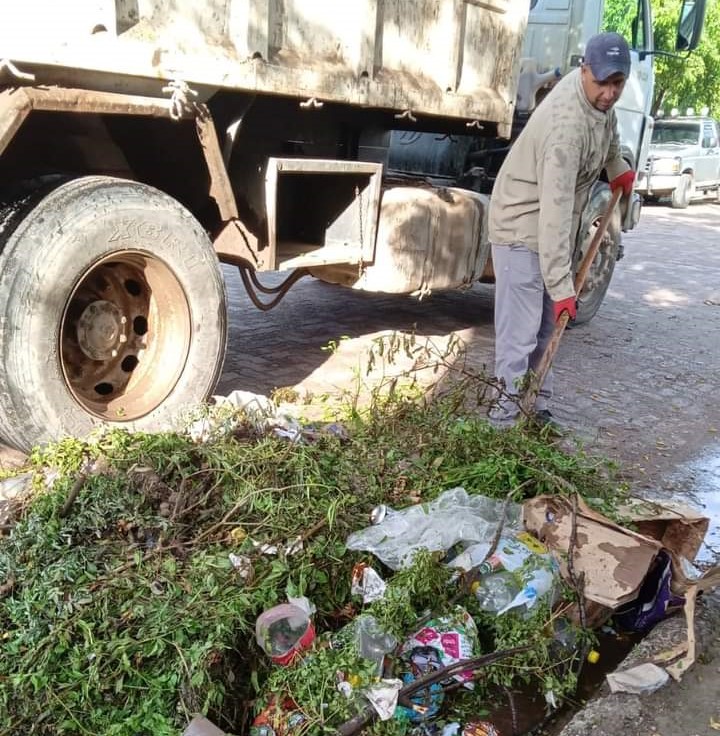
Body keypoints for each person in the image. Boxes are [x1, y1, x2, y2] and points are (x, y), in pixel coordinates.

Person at [487, 32, 636, 427]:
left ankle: (536, 408)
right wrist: (562, 288)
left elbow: (609, 133)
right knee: (520, 336)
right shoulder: (565, 130)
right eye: (602, 82)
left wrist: (617, 167)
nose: (609, 93)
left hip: (552, 225)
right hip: (521, 225)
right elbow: (553, 213)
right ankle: (502, 424)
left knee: (546, 330)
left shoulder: (600, 103)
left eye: (617, 83)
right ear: (583, 70)